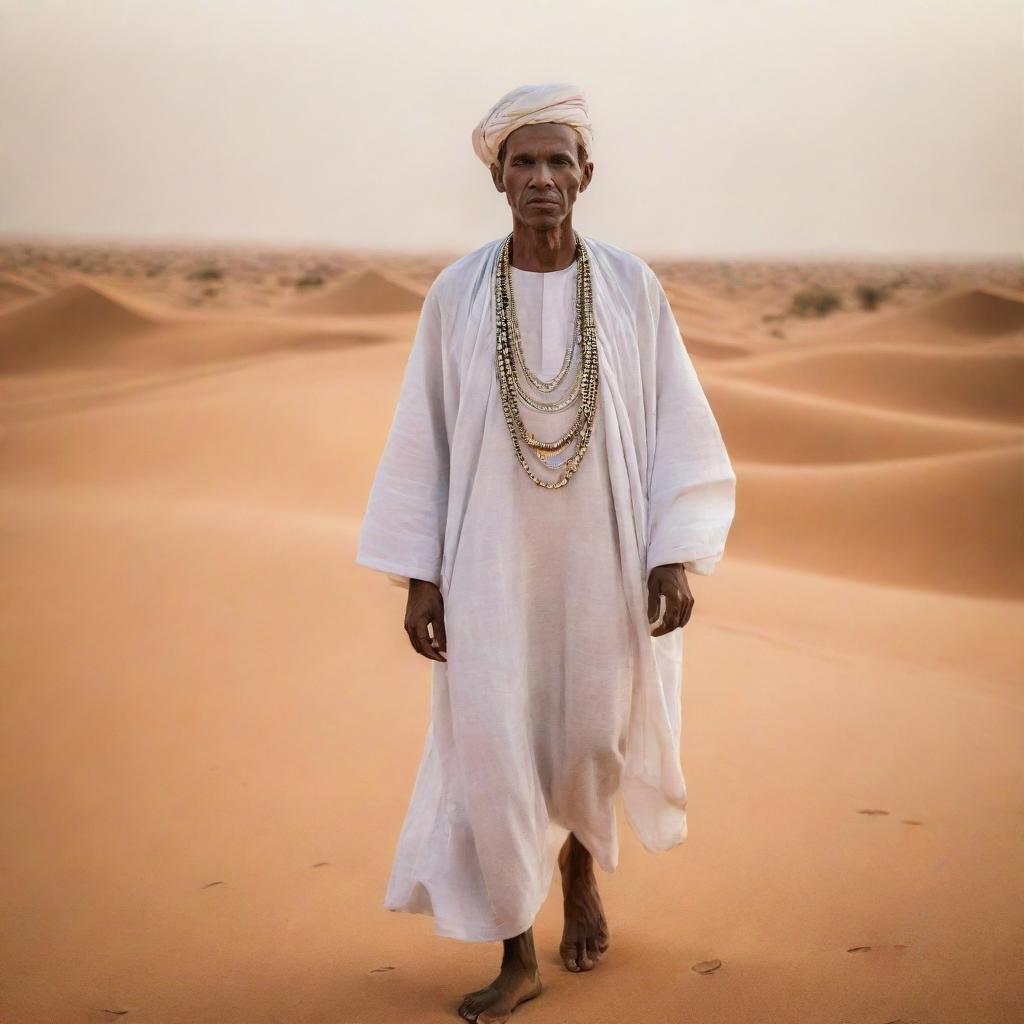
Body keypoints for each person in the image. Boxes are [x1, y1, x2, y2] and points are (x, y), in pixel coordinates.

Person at [355, 82, 736, 1024]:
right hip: (487, 559)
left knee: (591, 738)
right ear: (498, 177)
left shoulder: (631, 286)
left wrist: (673, 552)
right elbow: (423, 437)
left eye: (559, 160)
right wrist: (420, 577)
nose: (542, 178)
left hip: (602, 556)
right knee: (494, 741)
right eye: (522, 161)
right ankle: (514, 950)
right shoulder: (456, 293)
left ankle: (580, 870)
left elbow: (679, 425)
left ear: (587, 175)